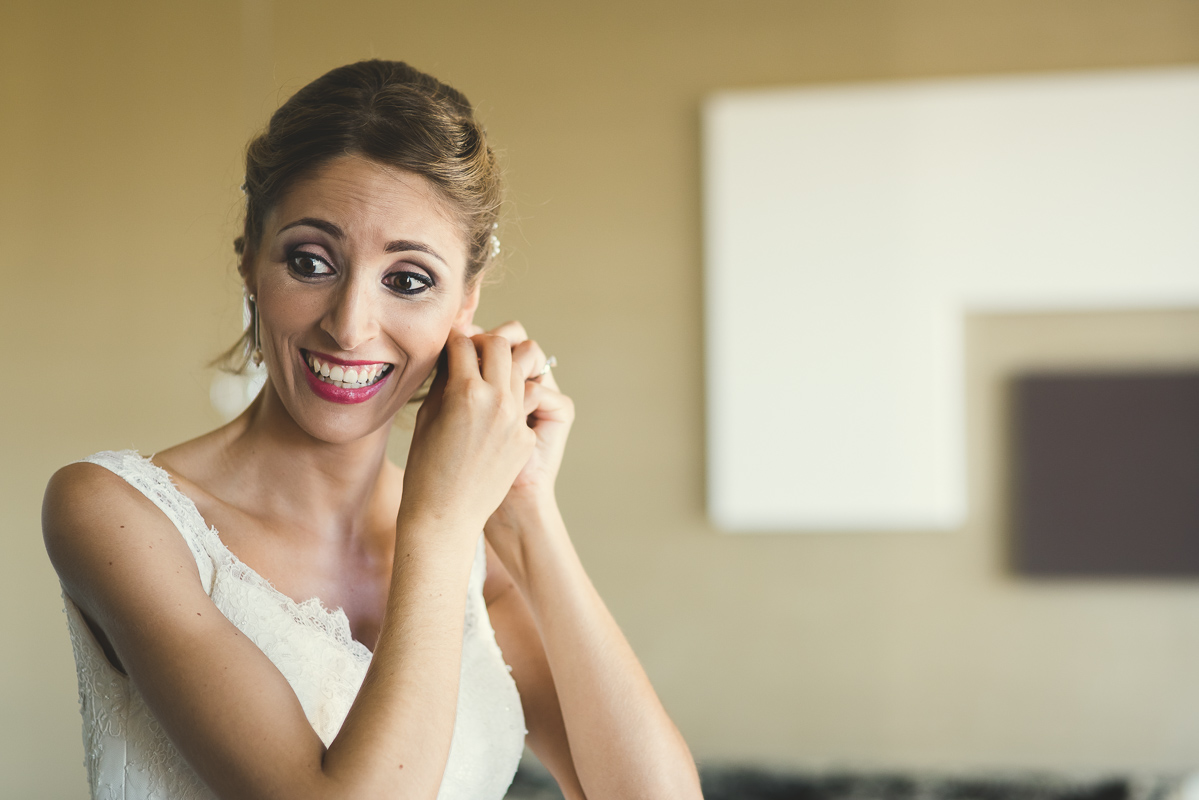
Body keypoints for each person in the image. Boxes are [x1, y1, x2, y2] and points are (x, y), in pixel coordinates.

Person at [42, 60, 702, 800]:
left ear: (465, 302)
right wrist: (440, 524)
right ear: (249, 265)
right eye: (310, 261)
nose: (350, 325)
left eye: (408, 279)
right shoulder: (115, 513)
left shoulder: (476, 542)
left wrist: (527, 512)